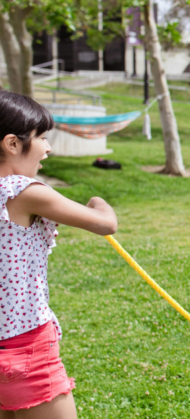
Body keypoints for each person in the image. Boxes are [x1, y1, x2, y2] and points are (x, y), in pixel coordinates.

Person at [0, 91, 118, 417]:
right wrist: (97, 201)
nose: (48, 147)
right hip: (26, 350)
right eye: (41, 137)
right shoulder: (23, 192)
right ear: (12, 143)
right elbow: (105, 223)